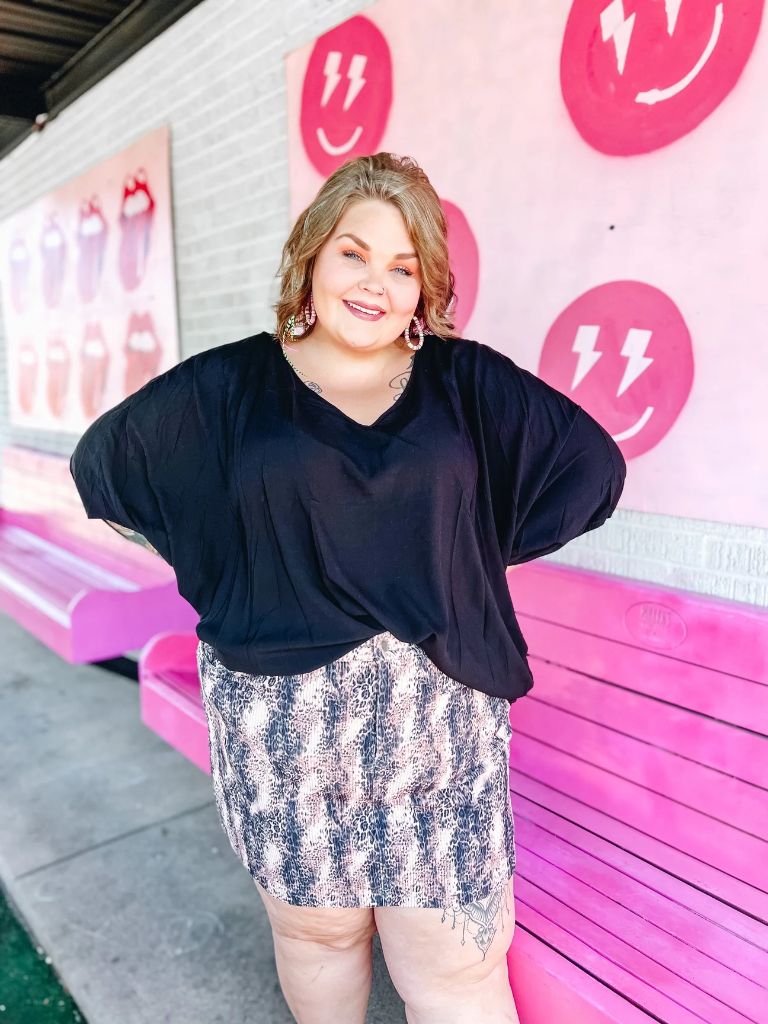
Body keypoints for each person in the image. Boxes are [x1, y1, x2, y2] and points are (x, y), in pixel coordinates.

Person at [70, 152, 626, 1024]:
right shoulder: (230, 386)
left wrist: (465, 554)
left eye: (403, 266)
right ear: (312, 256)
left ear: (425, 284)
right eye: (354, 254)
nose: (375, 283)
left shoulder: (467, 383)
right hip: (279, 730)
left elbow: (588, 470)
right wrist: (231, 565)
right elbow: (111, 466)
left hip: (440, 729)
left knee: (457, 962)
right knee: (319, 938)